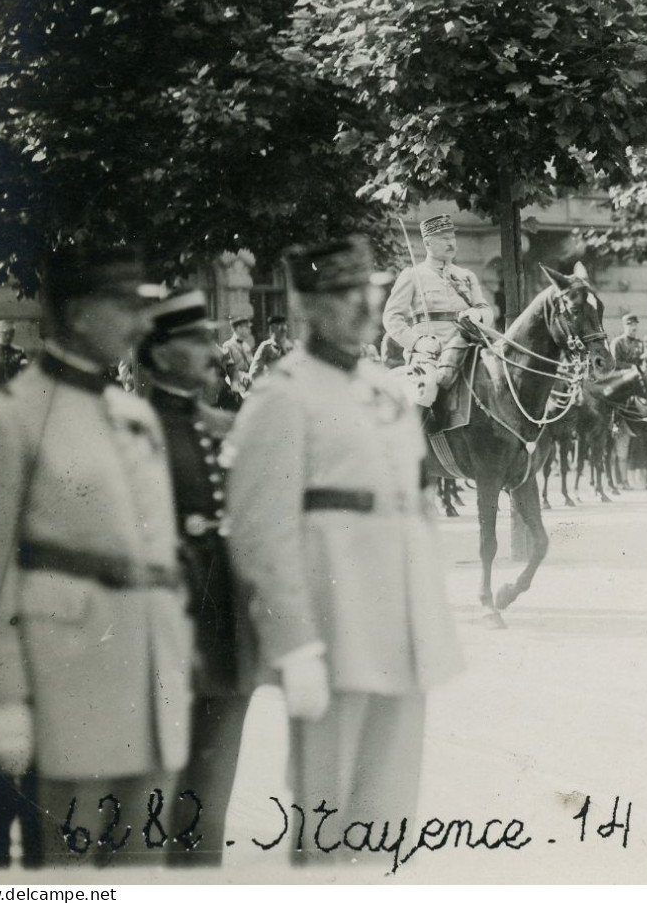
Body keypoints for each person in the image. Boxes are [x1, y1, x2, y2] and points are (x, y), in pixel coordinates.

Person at [225, 237, 463, 861]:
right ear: (307, 303)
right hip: (334, 633)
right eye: (344, 293)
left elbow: (416, 507)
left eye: (369, 291)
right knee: (326, 828)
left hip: (403, 633)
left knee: (387, 826)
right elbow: (259, 532)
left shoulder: (386, 391)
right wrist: (294, 644)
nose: (363, 305)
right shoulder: (282, 395)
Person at [0, 245, 190, 867]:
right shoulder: (13, 417)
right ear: (76, 312)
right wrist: (5, 699)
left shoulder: (135, 416)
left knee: (142, 866)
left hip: (151, 670)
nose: (138, 322)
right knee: (69, 870)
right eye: (123, 306)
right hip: (68, 674)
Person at [137, 290, 255, 865]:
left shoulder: (224, 425)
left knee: (207, 812)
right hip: (159, 639)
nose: (211, 349)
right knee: (142, 814)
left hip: (224, 638)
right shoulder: (132, 430)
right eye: (194, 339)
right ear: (158, 354)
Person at [380, 214, 490, 405]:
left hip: (467, 348)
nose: (451, 243)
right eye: (444, 238)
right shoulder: (412, 276)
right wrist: (417, 343)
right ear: (428, 243)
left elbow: (485, 309)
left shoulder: (466, 276)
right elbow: (391, 317)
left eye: (452, 237)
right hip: (431, 354)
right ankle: (419, 435)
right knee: (426, 391)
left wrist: (478, 313)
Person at [219, 316, 256, 399]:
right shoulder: (228, 345)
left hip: (248, 382)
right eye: (247, 327)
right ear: (239, 328)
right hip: (235, 385)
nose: (249, 330)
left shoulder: (246, 346)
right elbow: (228, 370)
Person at [248, 315, 291, 381]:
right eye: (280, 328)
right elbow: (255, 372)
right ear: (272, 329)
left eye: (285, 327)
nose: (284, 331)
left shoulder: (292, 346)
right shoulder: (266, 347)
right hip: (273, 385)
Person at [0, 320, 30, 387]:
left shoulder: (20, 351)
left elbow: (25, 370)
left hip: (15, 387)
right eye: (5, 333)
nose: (8, 336)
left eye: (11, 333)